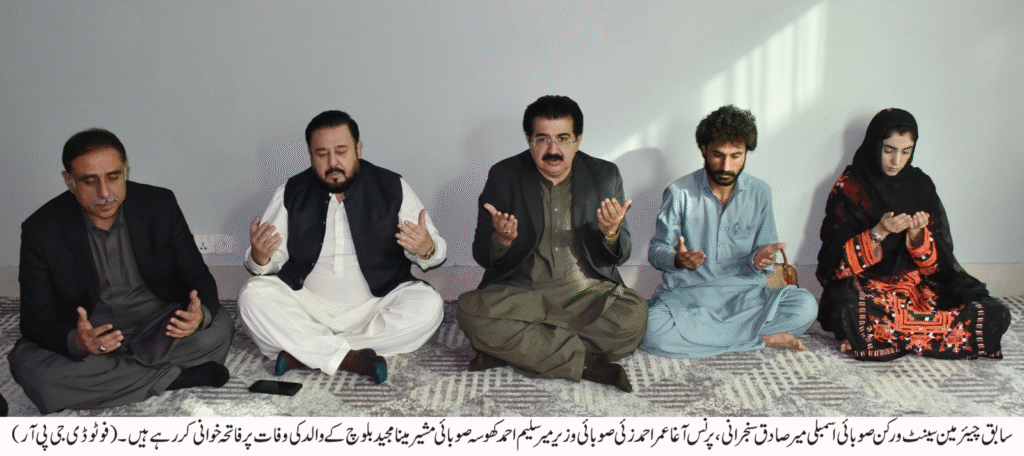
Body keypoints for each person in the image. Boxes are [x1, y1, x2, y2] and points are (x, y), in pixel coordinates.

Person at [10, 128, 233, 414]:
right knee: (33, 371)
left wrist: (198, 317)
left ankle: (119, 379)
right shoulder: (41, 229)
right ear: (69, 181)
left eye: (114, 177)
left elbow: (198, 278)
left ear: (125, 169)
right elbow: (34, 319)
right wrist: (79, 341)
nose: (104, 193)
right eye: (90, 181)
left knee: (219, 326)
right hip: (95, 335)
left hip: (158, 325)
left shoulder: (159, 205)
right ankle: (174, 378)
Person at [238, 110, 445, 384]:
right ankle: (353, 357)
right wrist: (260, 256)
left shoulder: (392, 186)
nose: (332, 162)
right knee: (252, 295)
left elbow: (435, 251)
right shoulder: (292, 190)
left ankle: (305, 352)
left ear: (358, 149)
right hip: (307, 303)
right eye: (321, 154)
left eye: (341, 151)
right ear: (310, 155)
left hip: (374, 305)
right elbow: (266, 260)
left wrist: (426, 247)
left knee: (429, 306)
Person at [457, 95, 647, 392]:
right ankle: (586, 364)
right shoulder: (504, 176)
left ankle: (519, 350)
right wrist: (502, 241)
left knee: (634, 316)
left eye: (563, 138)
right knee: (469, 311)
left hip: (585, 292)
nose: (553, 150)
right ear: (528, 139)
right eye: (542, 139)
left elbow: (620, 255)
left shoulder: (604, 175)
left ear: (578, 140)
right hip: (522, 293)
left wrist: (610, 233)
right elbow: (481, 253)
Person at [816, 108, 1010, 361]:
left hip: (916, 291)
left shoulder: (921, 186)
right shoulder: (849, 187)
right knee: (850, 310)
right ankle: (924, 336)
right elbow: (835, 267)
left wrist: (918, 236)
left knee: (995, 312)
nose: (896, 161)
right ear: (874, 145)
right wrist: (879, 232)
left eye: (906, 151)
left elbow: (937, 268)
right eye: (888, 150)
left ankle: (880, 337)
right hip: (868, 290)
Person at [640, 105, 817, 359]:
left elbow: (765, 254)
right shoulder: (679, 193)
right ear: (703, 149)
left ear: (746, 153)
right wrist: (678, 259)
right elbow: (657, 251)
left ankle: (717, 336)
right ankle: (760, 338)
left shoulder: (760, 192)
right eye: (718, 155)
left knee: (805, 306)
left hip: (745, 296)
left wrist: (760, 260)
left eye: (736, 155)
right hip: (690, 297)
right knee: (651, 329)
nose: (726, 165)